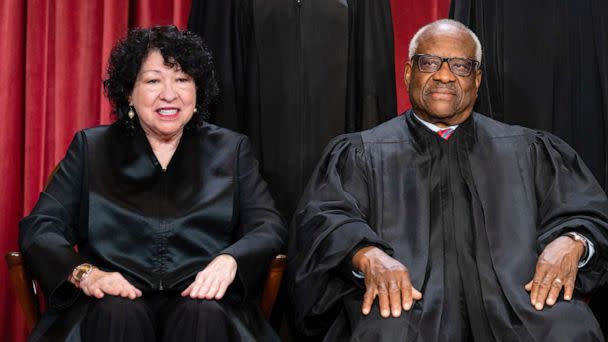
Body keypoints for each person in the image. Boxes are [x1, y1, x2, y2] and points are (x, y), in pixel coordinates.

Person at [289, 19, 608, 341]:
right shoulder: (361, 153)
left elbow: (587, 213)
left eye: (461, 66)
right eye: (429, 63)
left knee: (570, 328)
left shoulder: (528, 150)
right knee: (383, 331)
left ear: (478, 79)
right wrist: (366, 255)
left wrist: (574, 241)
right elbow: (325, 219)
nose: (444, 75)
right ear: (408, 73)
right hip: (405, 303)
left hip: (520, 300)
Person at [19, 26, 286, 342]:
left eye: (182, 80)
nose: (169, 94)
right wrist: (86, 273)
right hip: (111, 303)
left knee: (203, 313)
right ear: (129, 92)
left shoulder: (231, 150)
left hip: (203, 300)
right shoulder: (91, 149)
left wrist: (231, 260)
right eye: (153, 81)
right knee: (117, 312)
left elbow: (268, 227)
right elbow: (41, 228)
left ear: (198, 90)